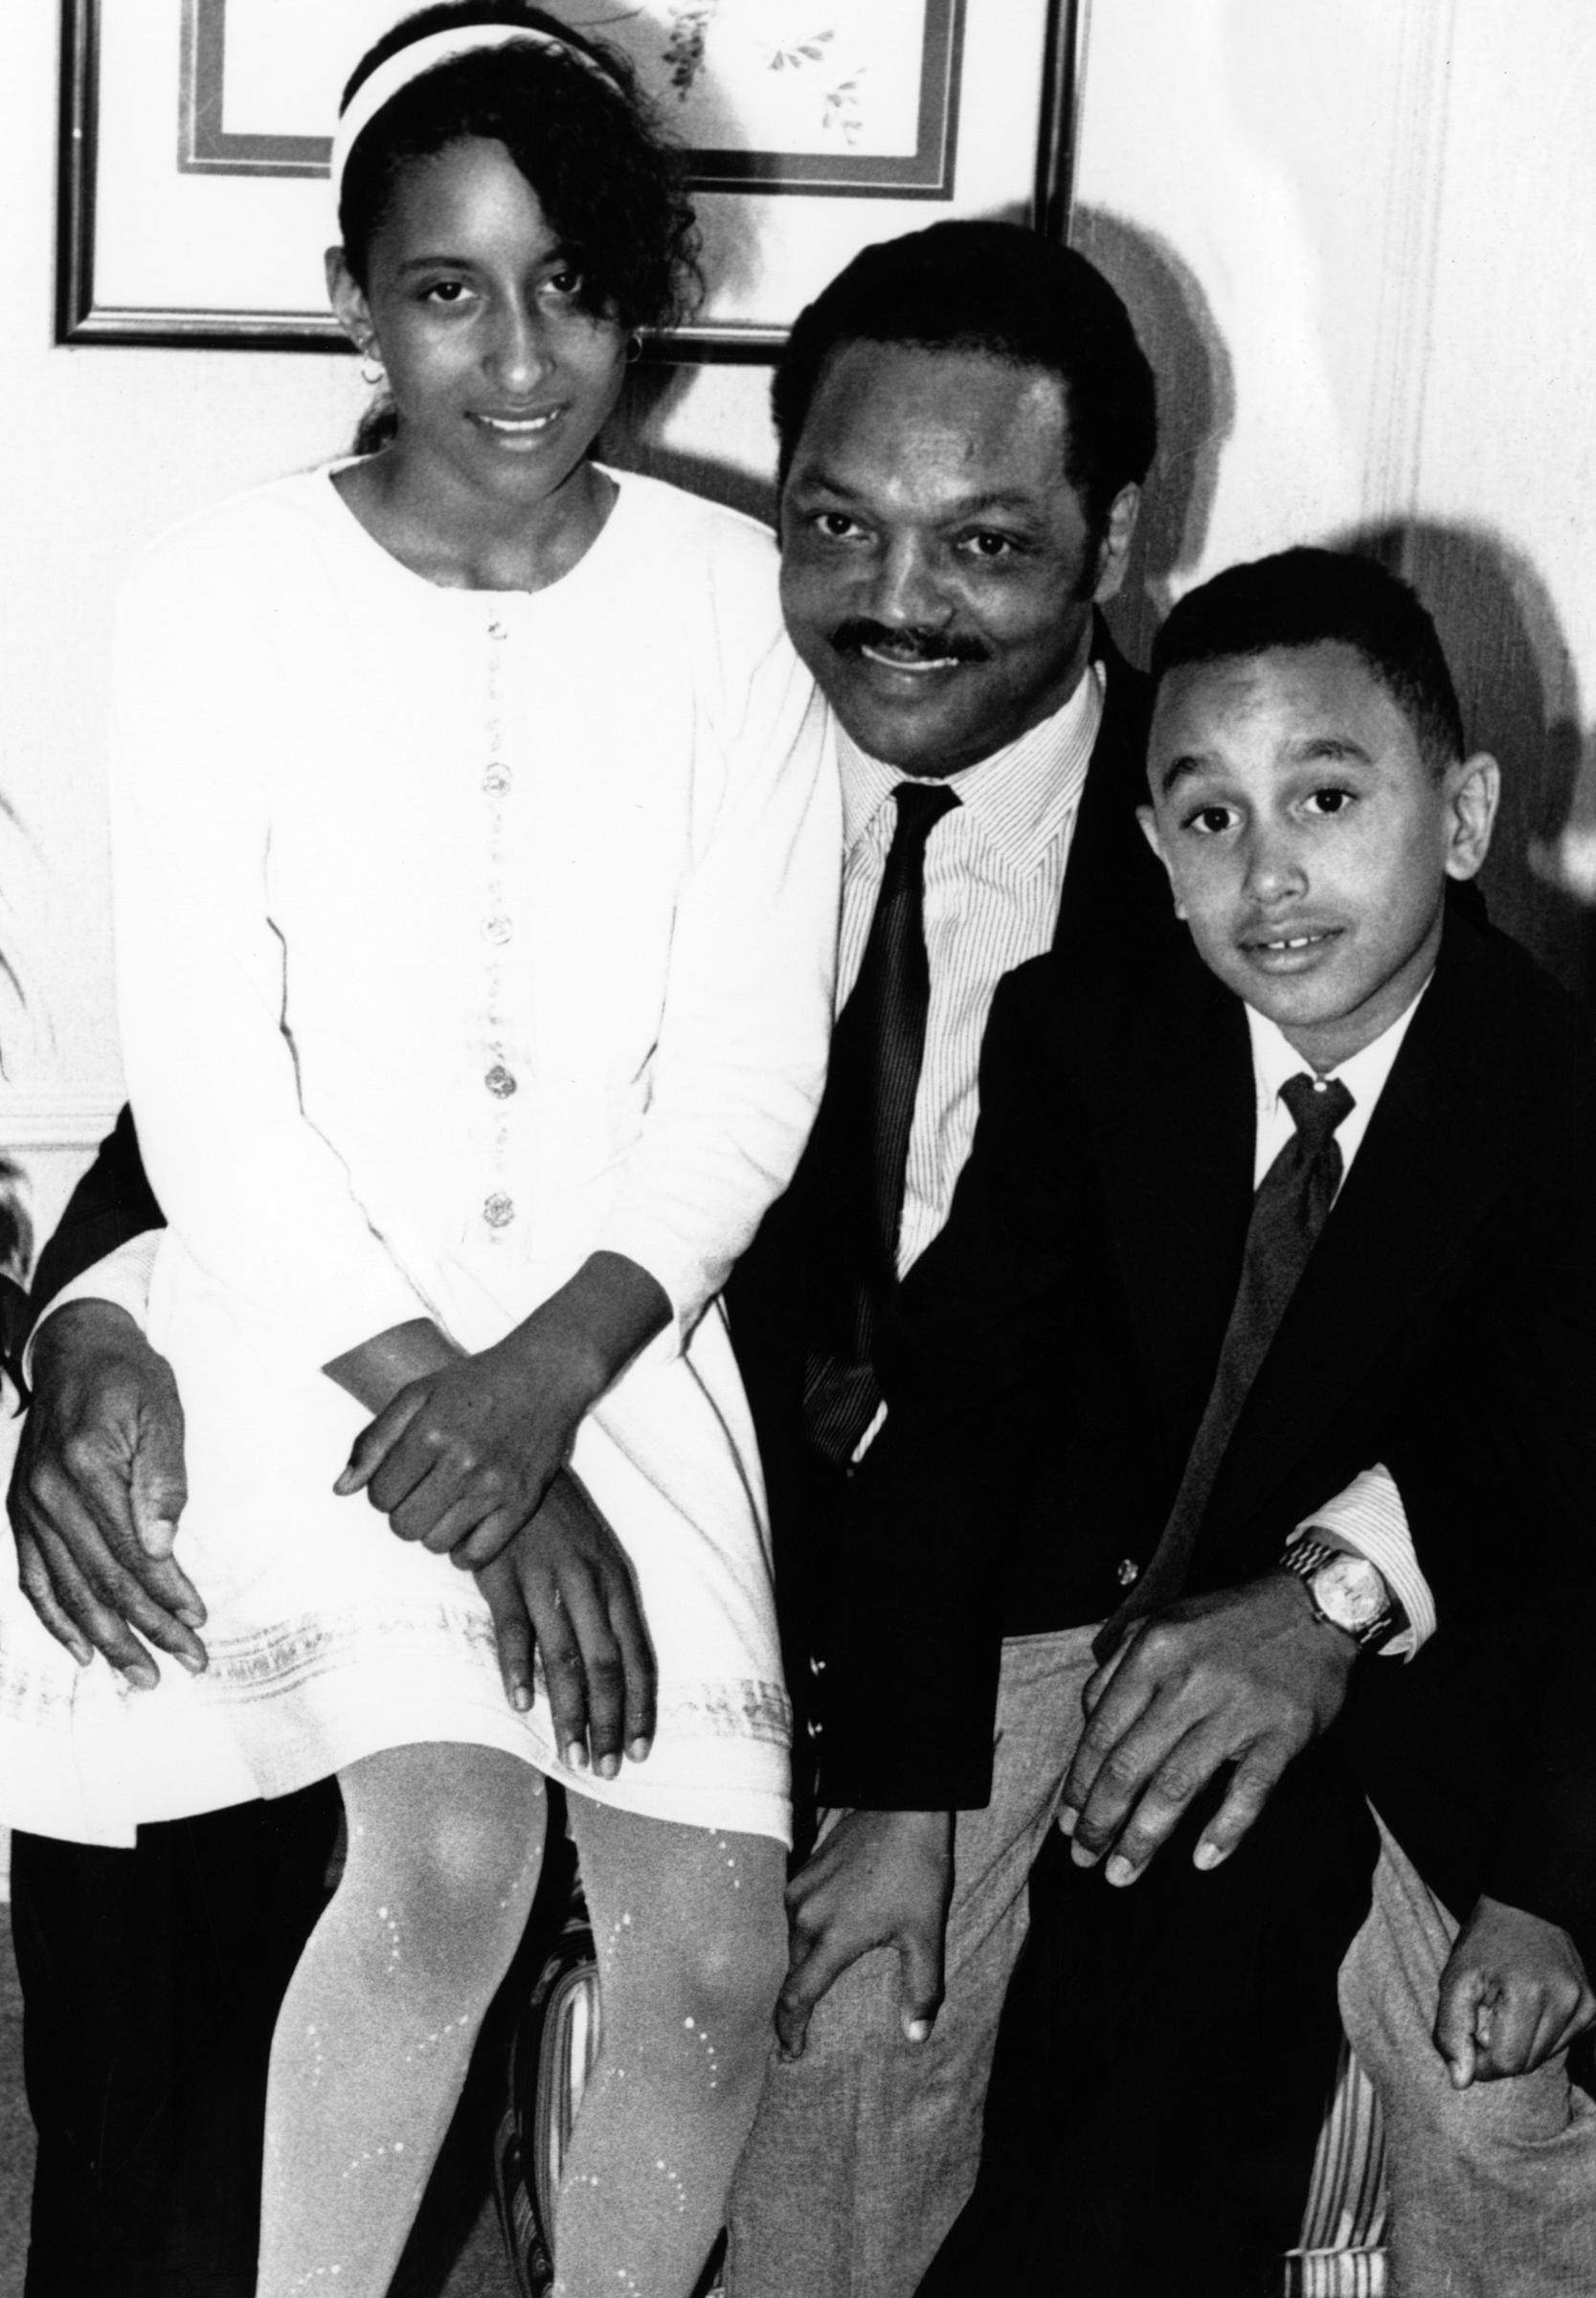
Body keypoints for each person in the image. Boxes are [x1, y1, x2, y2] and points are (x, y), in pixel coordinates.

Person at [0, 9, 839, 2297]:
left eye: (574, 284)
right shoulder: (213, 593)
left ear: (641, 294)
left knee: (713, 1956)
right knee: (450, 1862)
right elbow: (208, 1088)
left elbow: (749, 1072)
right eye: (450, 288)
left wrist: (547, 1393)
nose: (522, 357)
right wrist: (458, 1426)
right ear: (354, 297)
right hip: (316, 1334)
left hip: (620, 1346)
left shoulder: (734, 614)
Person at [817, 548, 1596, 2293]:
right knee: (860, 2001)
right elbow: (957, 1415)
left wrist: (1550, 1894)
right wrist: (894, 1792)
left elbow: (1560, 1491)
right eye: (1210, 818)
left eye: (1328, 798)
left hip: (1436, 1670)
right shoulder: (1085, 1034)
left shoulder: (1555, 1099)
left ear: (1466, 816)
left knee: (1491, 2100)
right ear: (1154, 852)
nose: (1270, 874)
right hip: (1089, 1605)